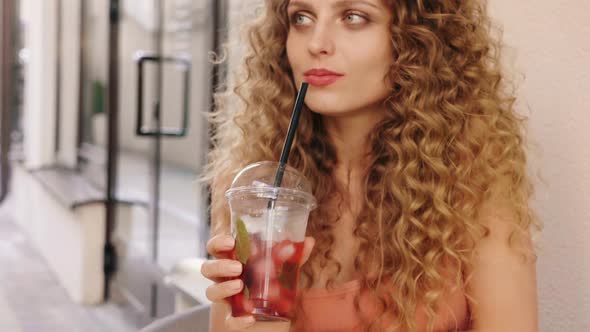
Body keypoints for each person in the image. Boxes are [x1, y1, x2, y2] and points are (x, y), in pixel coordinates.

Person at [201, 0, 541, 331]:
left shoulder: (474, 183)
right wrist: (258, 322)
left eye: (353, 16)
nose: (316, 44)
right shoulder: (251, 190)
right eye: (302, 18)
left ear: (417, 39)